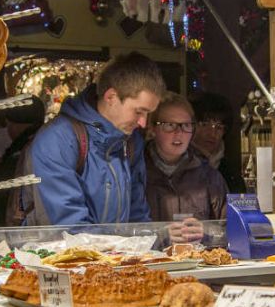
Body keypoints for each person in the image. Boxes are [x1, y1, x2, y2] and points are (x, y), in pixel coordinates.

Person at [18, 52, 165, 226]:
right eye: (138, 112)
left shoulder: (131, 142)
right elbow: (68, 226)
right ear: (111, 97)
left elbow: (137, 217)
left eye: (148, 113)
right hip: (62, 252)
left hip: (113, 252)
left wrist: (155, 239)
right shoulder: (57, 139)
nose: (143, 123)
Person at [145, 93, 228, 243]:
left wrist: (208, 232)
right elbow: (120, 231)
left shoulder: (209, 177)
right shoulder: (136, 173)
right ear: (152, 129)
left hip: (198, 263)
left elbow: (232, 231)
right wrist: (160, 236)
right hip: (151, 264)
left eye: (186, 125)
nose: (179, 133)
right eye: (170, 125)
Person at [0, 96, 46, 227]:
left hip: (23, 226)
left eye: (8, 124)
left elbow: (1, 196)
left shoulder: (26, 149)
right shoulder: (41, 142)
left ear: (15, 125)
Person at [190, 93, 246, 193]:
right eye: (205, 124)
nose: (212, 133)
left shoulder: (231, 175)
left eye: (219, 127)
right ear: (191, 126)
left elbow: (241, 207)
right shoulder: (178, 167)